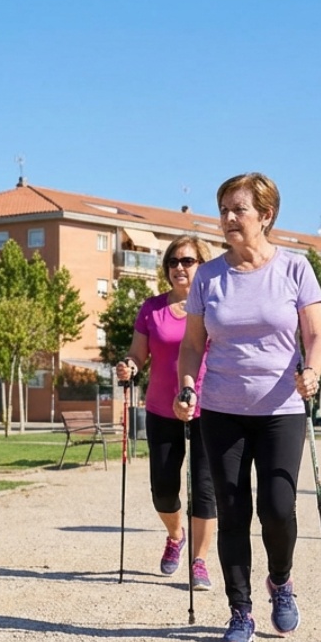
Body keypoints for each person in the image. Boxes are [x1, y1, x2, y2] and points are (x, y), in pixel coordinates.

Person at [175, 173, 321, 642]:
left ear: (266, 216)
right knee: (234, 510)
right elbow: (192, 345)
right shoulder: (209, 276)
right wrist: (186, 384)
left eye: (238, 209)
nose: (228, 218)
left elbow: (316, 337)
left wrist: (314, 371)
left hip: (282, 406)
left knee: (278, 507)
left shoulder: (295, 269)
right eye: (223, 209)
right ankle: (240, 610)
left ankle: (280, 581)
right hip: (222, 408)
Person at [114, 234, 217, 590]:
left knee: (205, 489)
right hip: (160, 408)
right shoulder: (152, 308)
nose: (178, 267)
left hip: (209, 407)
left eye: (187, 261)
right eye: (173, 261)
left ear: (202, 265)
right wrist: (129, 365)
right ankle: (176, 535)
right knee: (163, 488)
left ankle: (199, 561)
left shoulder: (214, 306)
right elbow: (138, 353)